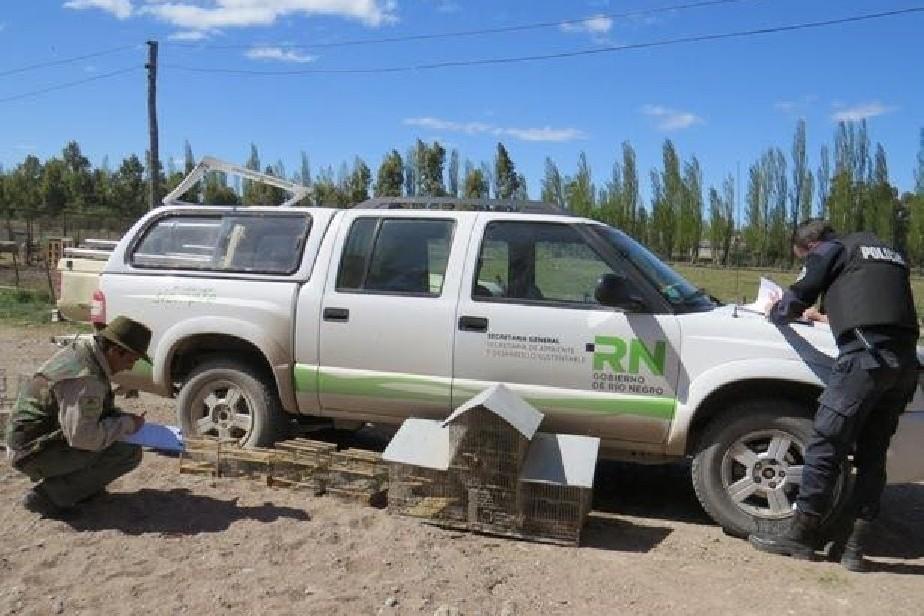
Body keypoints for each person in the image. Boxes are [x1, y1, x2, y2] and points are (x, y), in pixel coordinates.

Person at [749, 219, 920, 571]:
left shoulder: (830, 250)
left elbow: (798, 296)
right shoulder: (884, 251)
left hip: (865, 363)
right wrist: (825, 316)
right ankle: (854, 546)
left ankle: (801, 536)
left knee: (825, 445)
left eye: (802, 257)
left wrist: (776, 311)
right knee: (872, 455)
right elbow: (874, 308)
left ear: (810, 246)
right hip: (904, 365)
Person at [5, 316, 152, 519]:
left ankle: (80, 488)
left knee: (118, 440)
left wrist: (118, 418)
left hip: (34, 439)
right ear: (115, 350)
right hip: (31, 452)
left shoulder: (85, 352)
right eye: (130, 360)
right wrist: (126, 423)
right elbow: (83, 438)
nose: (129, 367)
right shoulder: (87, 379)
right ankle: (48, 497)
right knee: (126, 452)